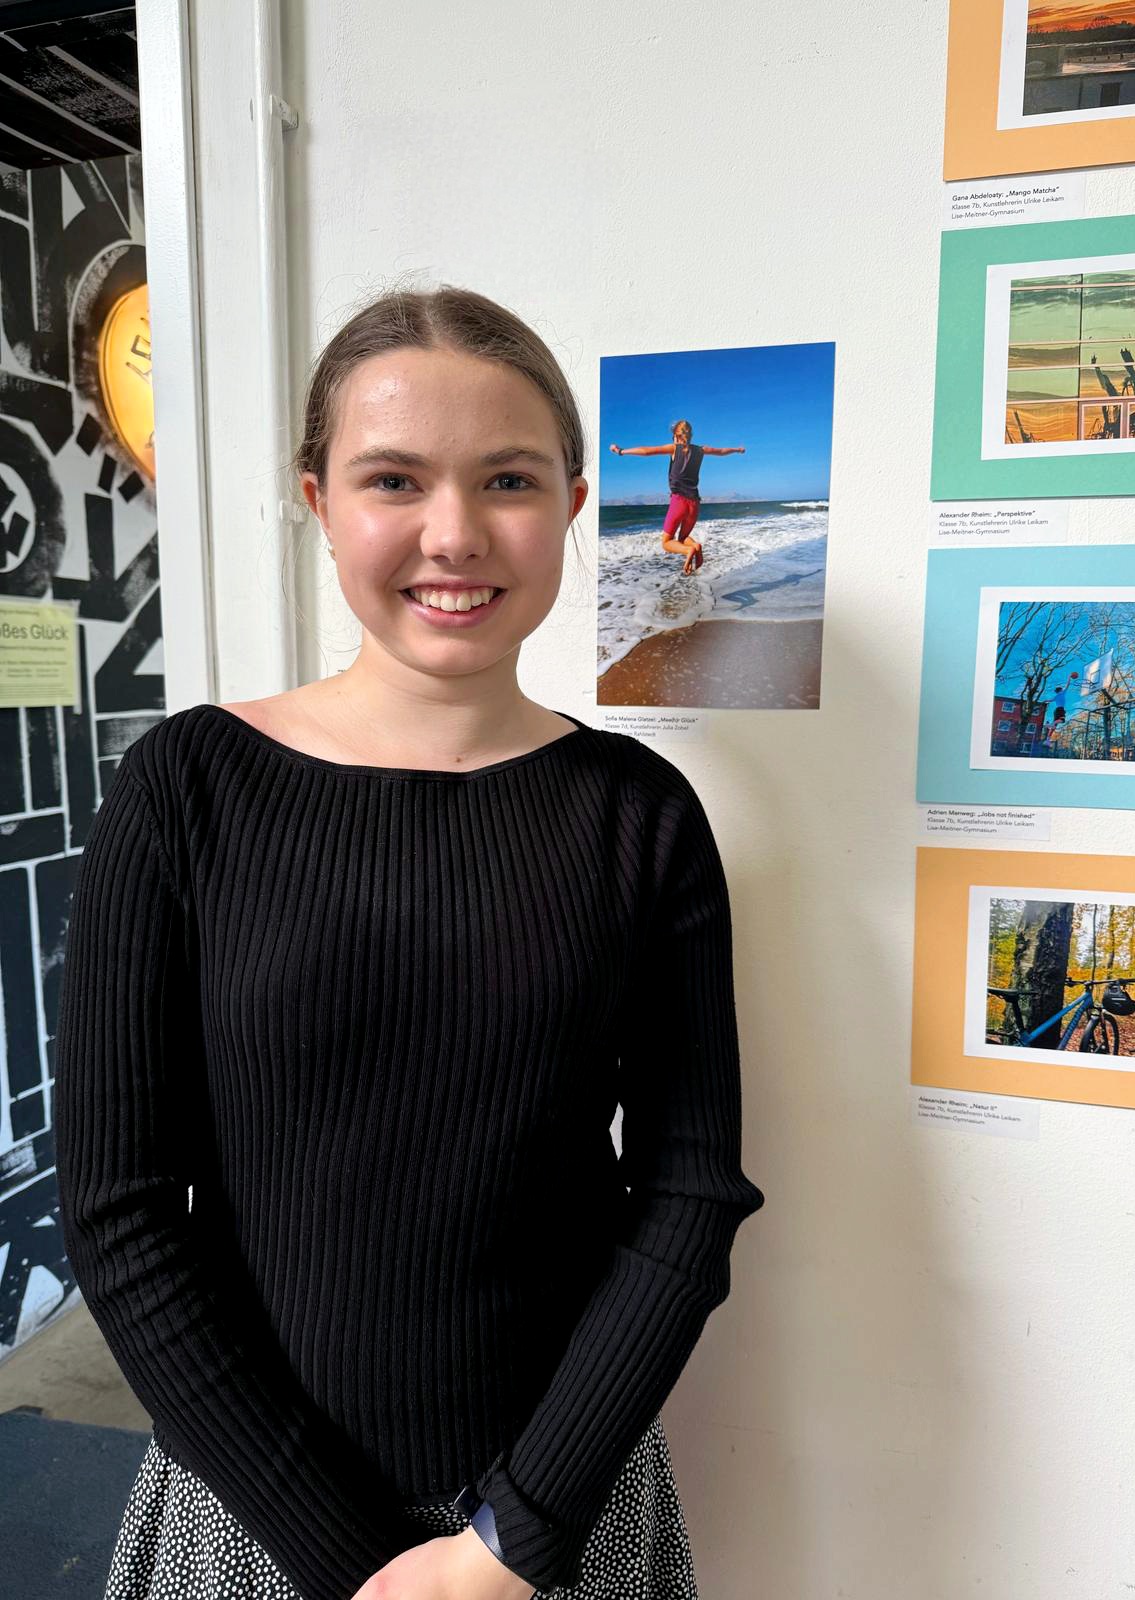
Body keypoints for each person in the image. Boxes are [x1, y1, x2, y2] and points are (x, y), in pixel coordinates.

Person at [53, 285, 766, 1600]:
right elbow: (120, 1212)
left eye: (507, 479)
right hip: (251, 1514)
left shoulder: (641, 816)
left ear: (571, 501)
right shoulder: (185, 791)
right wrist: (358, 1566)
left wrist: (508, 1543)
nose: (455, 534)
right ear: (320, 502)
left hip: (552, 1526)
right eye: (394, 479)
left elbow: (689, 1193)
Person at [609, 423, 745, 575]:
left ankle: (689, 550)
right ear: (690, 435)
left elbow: (646, 451)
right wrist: (737, 450)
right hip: (695, 503)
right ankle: (696, 547)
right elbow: (721, 451)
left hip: (678, 501)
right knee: (683, 537)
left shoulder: (674, 448)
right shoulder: (701, 450)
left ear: (676, 436)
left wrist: (621, 451)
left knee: (666, 543)